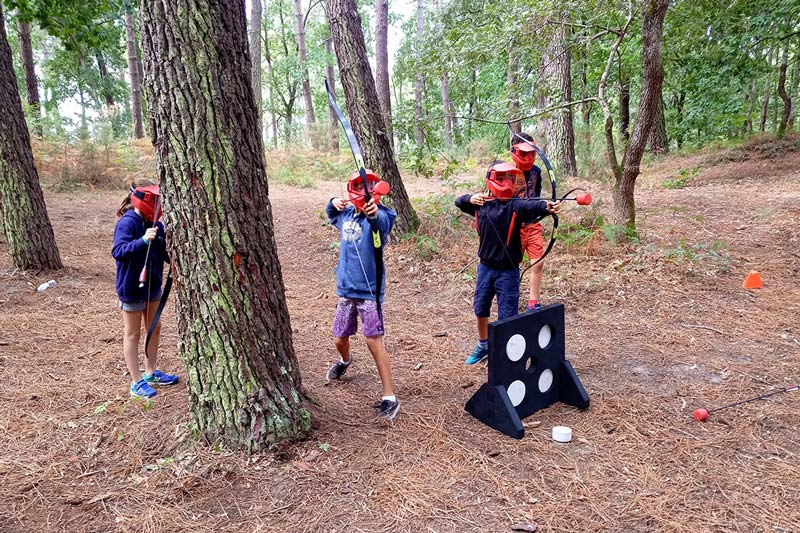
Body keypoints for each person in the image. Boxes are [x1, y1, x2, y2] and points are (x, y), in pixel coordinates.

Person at [455, 161, 561, 365]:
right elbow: (459, 202)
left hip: (508, 272)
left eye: (510, 178)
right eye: (502, 178)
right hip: (485, 268)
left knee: (507, 317)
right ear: (491, 179)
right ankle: (484, 345)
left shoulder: (515, 205)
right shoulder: (480, 204)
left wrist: (547, 207)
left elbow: (533, 206)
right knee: (480, 308)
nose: (506, 182)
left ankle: (505, 356)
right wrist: (471, 197)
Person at [325, 170, 400, 420]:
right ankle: (345, 361)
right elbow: (330, 213)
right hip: (346, 291)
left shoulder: (382, 214)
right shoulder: (345, 215)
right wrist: (333, 201)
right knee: (339, 339)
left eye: (368, 186)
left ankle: (389, 396)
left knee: (373, 340)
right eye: (358, 185)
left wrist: (374, 214)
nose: (363, 190)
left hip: (369, 292)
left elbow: (384, 223)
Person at [112, 179, 178, 399]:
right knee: (133, 333)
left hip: (153, 285)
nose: (157, 204)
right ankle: (136, 381)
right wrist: (141, 241)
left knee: (154, 327)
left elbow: (162, 251)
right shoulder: (128, 222)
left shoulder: (156, 224)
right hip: (131, 287)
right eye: (153, 200)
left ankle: (150, 372)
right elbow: (119, 251)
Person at [510, 132, 546, 311]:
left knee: (538, 262)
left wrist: (545, 208)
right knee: (511, 266)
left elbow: (536, 197)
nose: (529, 157)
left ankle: (534, 302)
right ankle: (509, 300)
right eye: (524, 153)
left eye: (532, 153)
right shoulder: (504, 171)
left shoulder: (536, 172)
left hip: (532, 223)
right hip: (513, 226)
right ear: (514, 152)